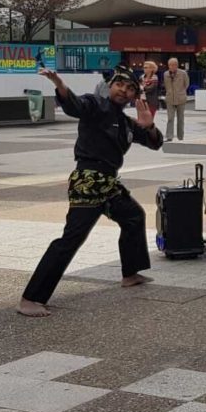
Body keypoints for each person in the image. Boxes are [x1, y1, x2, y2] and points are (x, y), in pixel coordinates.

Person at [18, 65, 162, 317]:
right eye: (120, 85)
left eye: (129, 89)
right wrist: (60, 86)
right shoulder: (96, 106)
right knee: (71, 239)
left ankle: (130, 274)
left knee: (133, 216)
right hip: (87, 181)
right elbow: (75, 105)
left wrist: (149, 126)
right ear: (111, 86)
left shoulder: (125, 122)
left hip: (108, 184)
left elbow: (154, 143)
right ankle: (31, 299)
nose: (123, 90)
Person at [163, 58, 190, 141]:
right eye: (170, 65)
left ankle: (180, 136)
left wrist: (181, 92)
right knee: (170, 118)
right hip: (170, 98)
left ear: (177, 65)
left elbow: (187, 84)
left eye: (173, 65)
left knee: (180, 119)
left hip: (181, 98)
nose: (171, 66)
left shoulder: (183, 73)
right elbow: (166, 85)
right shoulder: (166, 74)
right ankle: (169, 136)